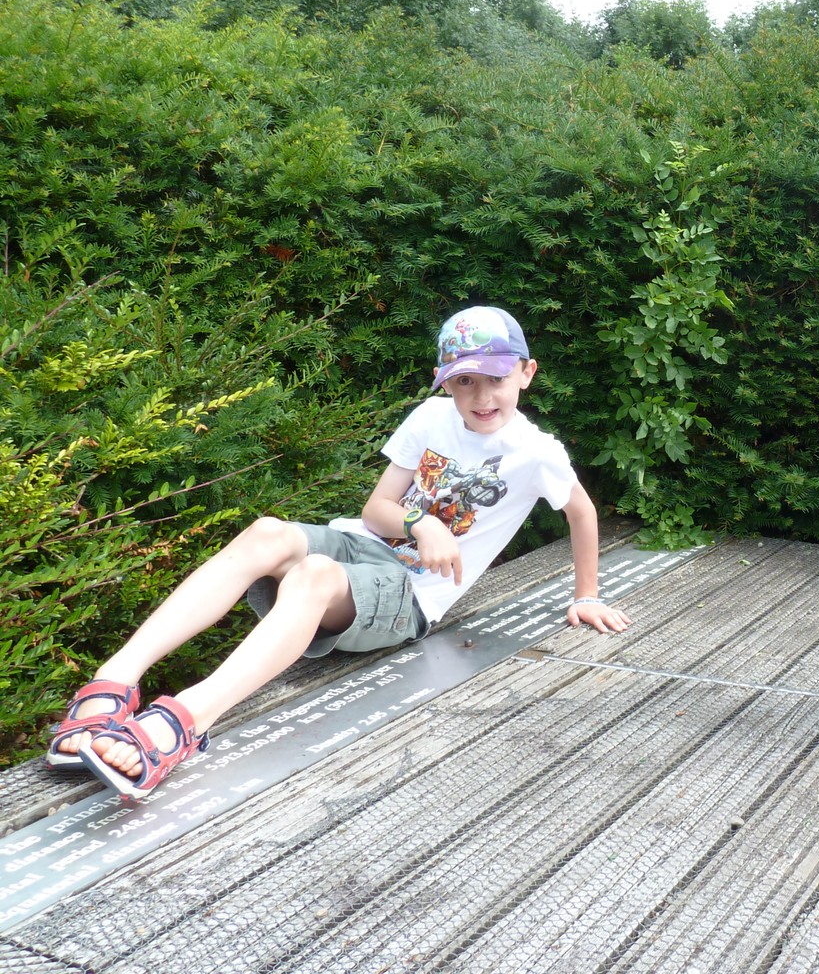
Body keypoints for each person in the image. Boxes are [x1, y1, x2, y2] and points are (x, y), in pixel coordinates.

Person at [48, 305, 630, 799]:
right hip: (363, 544)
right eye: (464, 382)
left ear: (526, 373)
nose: (481, 396)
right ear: (443, 381)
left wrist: (586, 595)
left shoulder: (536, 452)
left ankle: (187, 719)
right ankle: (114, 680)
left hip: (409, 596)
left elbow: (582, 513)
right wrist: (422, 522)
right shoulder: (432, 417)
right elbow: (378, 509)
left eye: (496, 378)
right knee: (267, 532)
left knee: (315, 574)